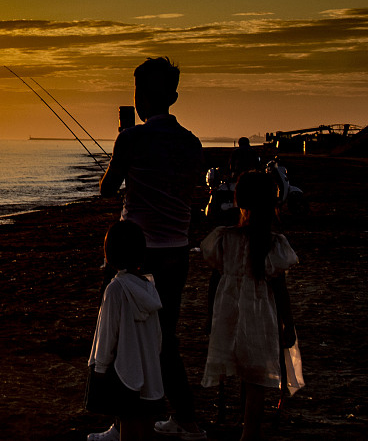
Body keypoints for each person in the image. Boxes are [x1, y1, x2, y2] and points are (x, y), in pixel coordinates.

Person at [98, 57, 206, 441]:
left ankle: (121, 423)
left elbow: (107, 189)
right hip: (176, 252)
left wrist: (123, 145)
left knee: (120, 336)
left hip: (134, 255)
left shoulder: (131, 139)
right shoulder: (191, 143)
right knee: (165, 340)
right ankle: (187, 421)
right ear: (173, 97)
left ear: (140, 96)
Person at [201, 171, 300, 441]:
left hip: (228, 313)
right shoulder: (272, 243)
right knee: (256, 377)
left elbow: (215, 278)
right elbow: (280, 290)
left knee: (240, 368)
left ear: (237, 199)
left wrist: (211, 314)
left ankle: (243, 425)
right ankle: (250, 431)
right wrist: (287, 324)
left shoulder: (224, 238)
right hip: (260, 315)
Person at [86, 221, 164, 441]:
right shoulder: (149, 287)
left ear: (109, 254)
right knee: (146, 422)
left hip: (124, 370)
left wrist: (100, 366)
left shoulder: (115, 289)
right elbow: (157, 334)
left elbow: (107, 332)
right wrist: (154, 358)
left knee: (128, 423)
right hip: (149, 369)